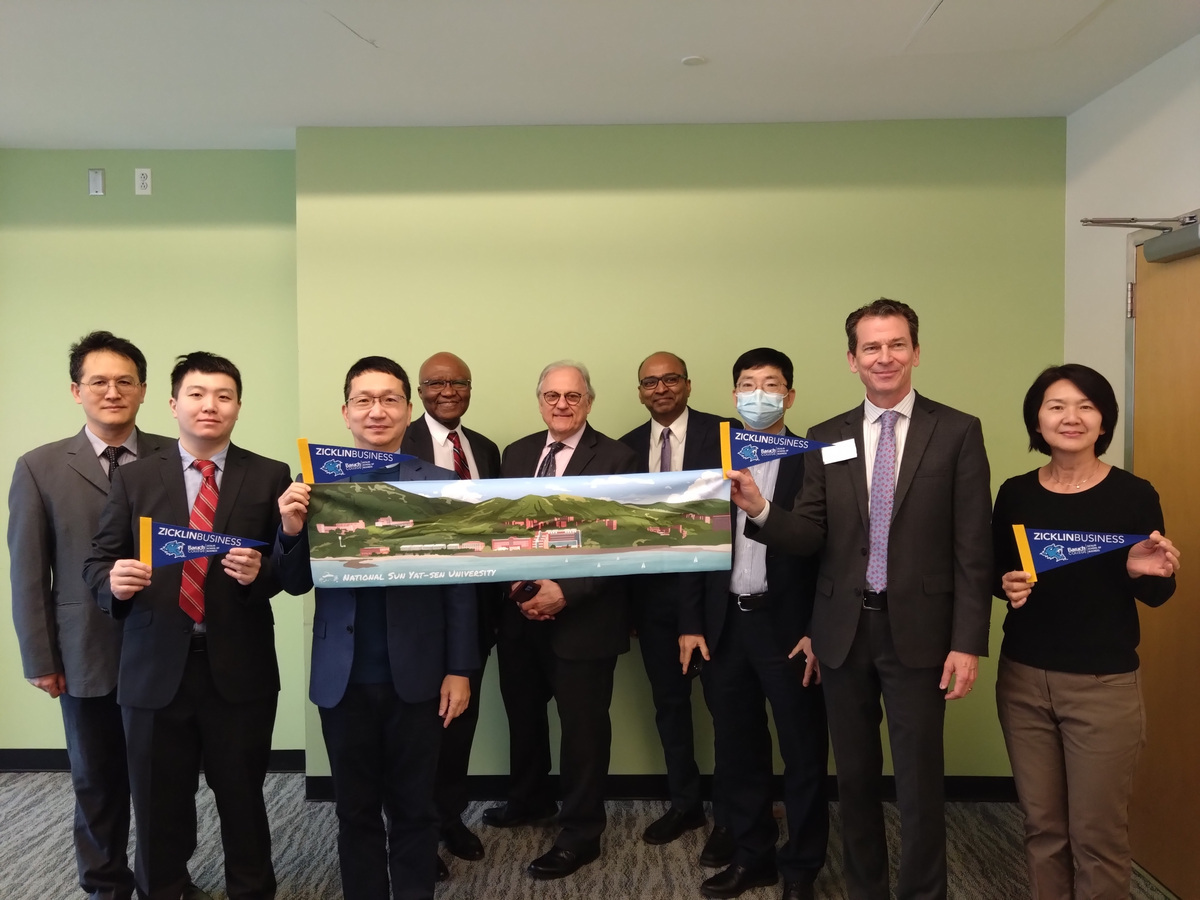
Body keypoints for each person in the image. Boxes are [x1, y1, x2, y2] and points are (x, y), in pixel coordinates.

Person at [730, 299, 992, 900]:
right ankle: (864, 890)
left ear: (916, 352)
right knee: (853, 779)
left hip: (922, 635)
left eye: (896, 344)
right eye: (871, 347)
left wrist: (967, 643)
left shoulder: (956, 431)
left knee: (920, 783)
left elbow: (972, 549)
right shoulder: (827, 436)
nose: (885, 357)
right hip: (843, 632)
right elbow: (813, 533)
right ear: (852, 360)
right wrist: (762, 511)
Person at [8, 331, 211, 900]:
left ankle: (167, 879)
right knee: (97, 780)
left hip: (168, 648)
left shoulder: (180, 456)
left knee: (166, 782)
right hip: (86, 651)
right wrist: (41, 659)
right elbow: (29, 574)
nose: (112, 391)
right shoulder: (39, 467)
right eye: (98, 381)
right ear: (77, 391)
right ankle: (104, 884)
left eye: (125, 381)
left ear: (146, 391)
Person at [84, 351, 292, 900]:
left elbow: (292, 570)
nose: (210, 406)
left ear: (239, 407)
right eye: (197, 394)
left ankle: (251, 890)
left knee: (243, 799)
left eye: (224, 396)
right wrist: (114, 581)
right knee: (158, 803)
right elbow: (97, 562)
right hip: (154, 670)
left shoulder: (269, 475)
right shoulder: (134, 479)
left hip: (239, 670)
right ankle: (164, 890)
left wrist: (261, 570)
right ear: (173, 403)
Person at [275, 356, 478, 900]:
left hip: (419, 674)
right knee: (355, 810)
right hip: (342, 679)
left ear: (408, 410)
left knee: (416, 809)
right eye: (364, 400)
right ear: (345, 412)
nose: (377, 410)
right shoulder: (314, 484)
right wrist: (292, 527)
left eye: (389, 399)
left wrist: (461, 667)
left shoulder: (438, 485)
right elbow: (294, 583)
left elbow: (459, 584)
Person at [992, 363, 1178, 900]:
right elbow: (995, 574)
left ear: (1103, 422)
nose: (1070, 417)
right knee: (1042, 828)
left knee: (1097, 837)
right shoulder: (1016, 493)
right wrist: (1005, 584)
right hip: (1023, 680)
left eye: (1086, 406)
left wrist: (1147, 572)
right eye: (1056, 406)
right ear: (1037, 420)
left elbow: (1158, 591)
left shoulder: (1133, 495)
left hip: (1103, 686)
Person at [679, 348, 828, 900]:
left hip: (789, 629)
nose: (758, 394)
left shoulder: (813, 459)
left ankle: (802, 868)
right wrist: (691, 622)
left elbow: (827, 550)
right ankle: (753, 856)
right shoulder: (712, 456)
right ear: (734, 394)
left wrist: (819, 627)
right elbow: (692, 542)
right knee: (736, 750)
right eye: (747, 384)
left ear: (789, 396)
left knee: (803, 752)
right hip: (724, 626)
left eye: (771, 385)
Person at [484, 361, 638, 880]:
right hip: (520, 615)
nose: (562, 404)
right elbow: (503, 527)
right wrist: (516, 586)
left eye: (573, 396)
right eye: (552, 395)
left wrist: (564, 592)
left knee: (583, 733)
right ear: (540, 400)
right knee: (523, 717)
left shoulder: (618, 458)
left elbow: (622, 542)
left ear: (589, 401)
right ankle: (528, 800)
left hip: (586, 620)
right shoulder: (518, 454)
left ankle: (580, 833)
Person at [618, 351, 736, 865]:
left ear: (688, 384)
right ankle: (685, 803)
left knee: (727, 709)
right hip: (653, 601)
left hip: (717, 598)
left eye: (670, 379)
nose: (661, 388)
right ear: (640, 391)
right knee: (669, 705)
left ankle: (733, 816)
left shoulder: (727, 434)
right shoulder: (624, 448)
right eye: (650, 382)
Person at [401, 351, 500, 869]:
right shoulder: (399, 443)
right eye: (436, 383)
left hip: (475, 612)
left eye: (458, 382)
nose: (448, 390)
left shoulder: (483, 448)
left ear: (469, 389)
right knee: (419, 732)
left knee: (460, 723)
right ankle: (418, 832)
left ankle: (450, 817)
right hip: (418, 614)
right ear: (419, 391)